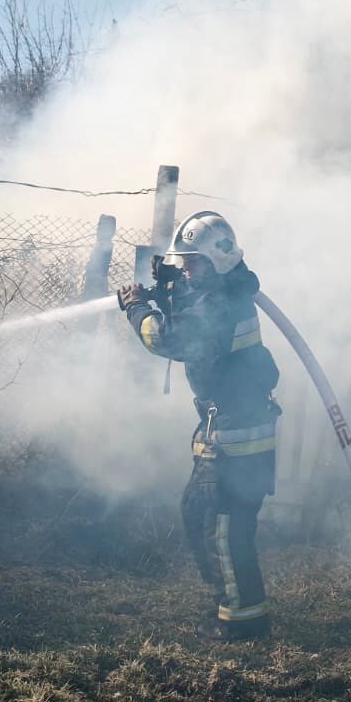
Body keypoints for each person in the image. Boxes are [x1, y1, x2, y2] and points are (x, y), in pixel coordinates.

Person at [118, 210, 281, 641]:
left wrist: (138, 309)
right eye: (184, 261)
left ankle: (243, 622)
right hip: (227, 433)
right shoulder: (226, 289)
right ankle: (230, 600)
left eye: (194, 262)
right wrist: (172, 287)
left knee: (223, 528)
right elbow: (197, 312)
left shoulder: (221, 304)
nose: (187, 269)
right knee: (199, 513)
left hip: (237, 440)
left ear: (218, 262)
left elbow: (169, 338)